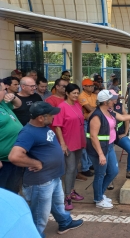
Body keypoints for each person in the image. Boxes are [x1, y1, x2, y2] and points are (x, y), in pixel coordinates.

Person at [8, 101, 83, 236]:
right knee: (39, 214)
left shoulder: (43, 127)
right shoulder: (28, 132)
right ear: (41, 117)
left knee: (58, 204)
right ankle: (34, 234)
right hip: (40, 181)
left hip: (52, 176)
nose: (54, 117)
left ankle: (64, 222)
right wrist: (35, 163)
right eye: (51, 115)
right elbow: (14, 156)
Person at [86, 90, 130, 209]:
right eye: (112, 99)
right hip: (100, 149)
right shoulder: (96, 115)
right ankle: (98, 199)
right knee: (100, 174)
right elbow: (93, 136)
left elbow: (122, 117)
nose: (115, 100)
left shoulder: (109, 111)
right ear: (106, 102)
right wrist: (101, 154)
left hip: (109, 146)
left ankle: (100, 194)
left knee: (113, 171)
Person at [53, 83, 85, 211]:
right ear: (67, 93)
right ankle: (66, 196)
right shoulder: (61, 107)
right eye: (74, 93)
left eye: (78, 93)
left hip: (79, 140)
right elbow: (57, 126)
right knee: (70, 169)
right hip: (68, 142)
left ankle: (72, 190)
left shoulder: (77, 105)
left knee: (75, 168)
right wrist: (62, 143)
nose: (76, 95)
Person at [107, 89, 130, 190]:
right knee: (109, 157)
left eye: (116, 97)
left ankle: (129, 170)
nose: (116, 99)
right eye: (113, 97)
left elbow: (126, 118)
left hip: (119, 135)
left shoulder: (119, 106)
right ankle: (109, 178)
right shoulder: (103, 108)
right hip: (108, 138)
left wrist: (125, 132)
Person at [0, 79, 23, 193]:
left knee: (12, 189)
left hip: (14, 157)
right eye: (4, 90)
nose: (6, 92)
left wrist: (13, 97)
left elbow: (19, 104)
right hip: (3, 161)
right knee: (3, 192)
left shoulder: (3, 103)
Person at [78, 78, 97, 178]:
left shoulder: (94, 95)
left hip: (94, 121)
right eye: (89, 86)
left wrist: (95, 109)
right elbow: (90, 109)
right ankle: (85, 168)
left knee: (92, 144)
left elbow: (96, 108)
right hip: (86, 121)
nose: (92, 87)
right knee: (85, 145)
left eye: (92, 85)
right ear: (84, 87)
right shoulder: (82, 96)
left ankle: (90, 164)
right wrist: (97, 108)